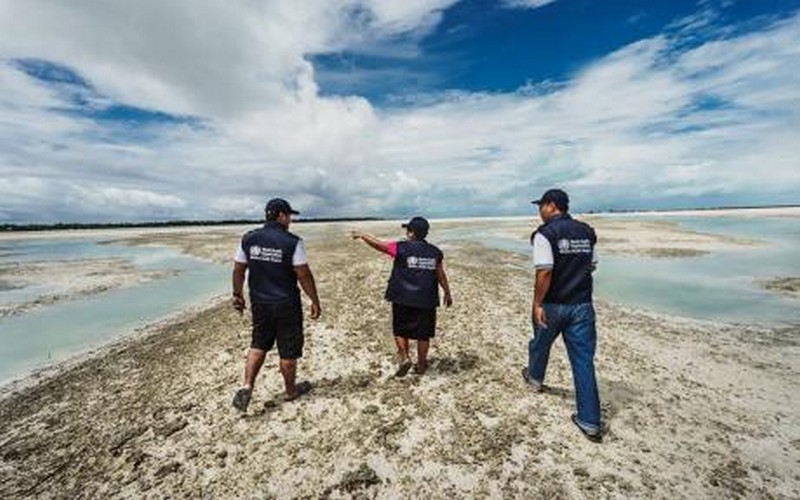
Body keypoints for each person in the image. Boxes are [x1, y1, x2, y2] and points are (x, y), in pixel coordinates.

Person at [522, 188, 603, 442]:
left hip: (553, 305)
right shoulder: (587, 232)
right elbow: (592, 265)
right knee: (583, 361)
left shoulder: (545, 234)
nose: (539, 211)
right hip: (581, 305)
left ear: (552, 205)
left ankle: (535, 378)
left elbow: (544, 272)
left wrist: (537, 303)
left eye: (541, 206)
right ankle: (590, 421)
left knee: (540, 343)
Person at [231, 198, 322, 412]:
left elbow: (238, 269)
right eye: (289, 215)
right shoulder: (292, 241)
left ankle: (247, 385)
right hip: (286, 304)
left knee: (258, 344)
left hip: (260, 303)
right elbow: (303, 274)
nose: (290, 220)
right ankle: (290, 391)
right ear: (281, 215)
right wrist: (314, 300)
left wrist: (237, 294)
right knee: (288, 351)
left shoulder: (248, 238)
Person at [351, 217, 452, 376]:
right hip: (426, 299)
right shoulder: (435, 252)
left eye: (407, 230)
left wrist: (363, 235)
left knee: (400, 329)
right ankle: (421, 365)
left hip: (402, 297)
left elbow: (379, 245)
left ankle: (405, 357)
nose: (406, 233)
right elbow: (441, 274)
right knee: (423, 334)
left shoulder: (400, 248)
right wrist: (447, 292)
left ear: (411, 232)